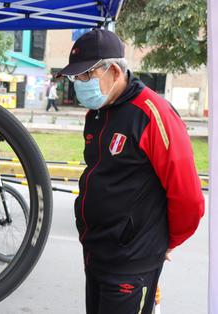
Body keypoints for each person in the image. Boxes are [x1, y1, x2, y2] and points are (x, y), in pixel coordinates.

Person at [57, 28, 204, 314]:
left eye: (86, 76)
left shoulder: (152, 113)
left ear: (113, 70)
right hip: (97, 252)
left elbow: (188, 196)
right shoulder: (98, 112)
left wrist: (167, 242)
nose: (79, 84)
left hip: (132, 260)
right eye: (76, 78)